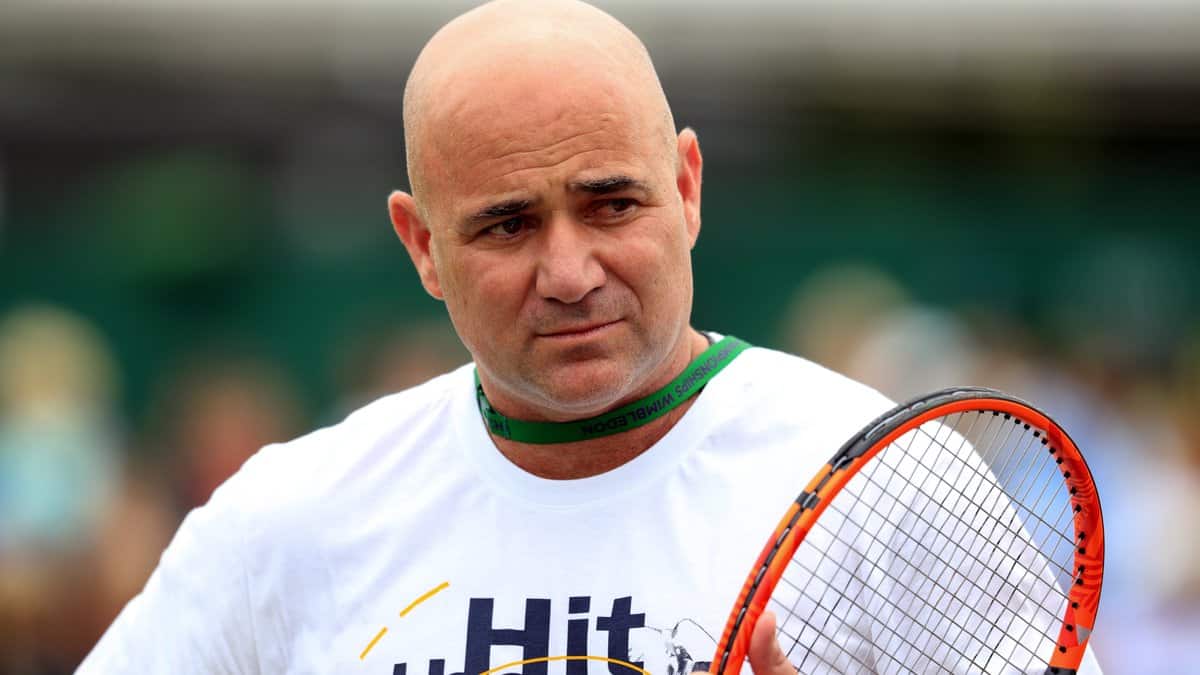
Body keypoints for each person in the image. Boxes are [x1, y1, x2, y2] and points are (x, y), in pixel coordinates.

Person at [78, 1, 1101, 674]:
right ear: (422, 245)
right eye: (507, 225)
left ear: (687, 189)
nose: (569, 273)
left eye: (611, 204)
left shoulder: (885, 484)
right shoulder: (288, 520)